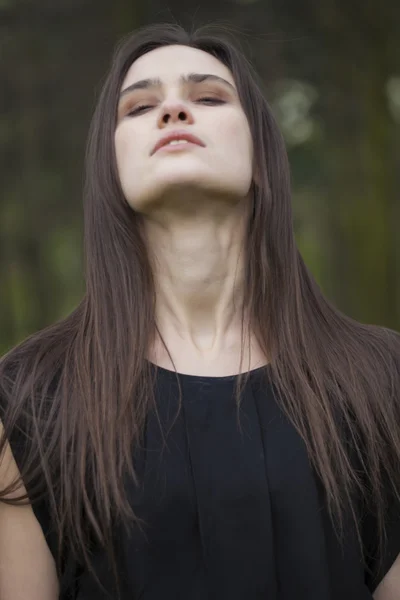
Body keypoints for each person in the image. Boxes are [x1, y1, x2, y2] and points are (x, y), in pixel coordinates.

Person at [0, 22, 399, 600]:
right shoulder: (29, 397)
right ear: (109, 172)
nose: (173, 111)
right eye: (138, 108)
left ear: (262, 157)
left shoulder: (380, 380)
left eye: (208, 97)